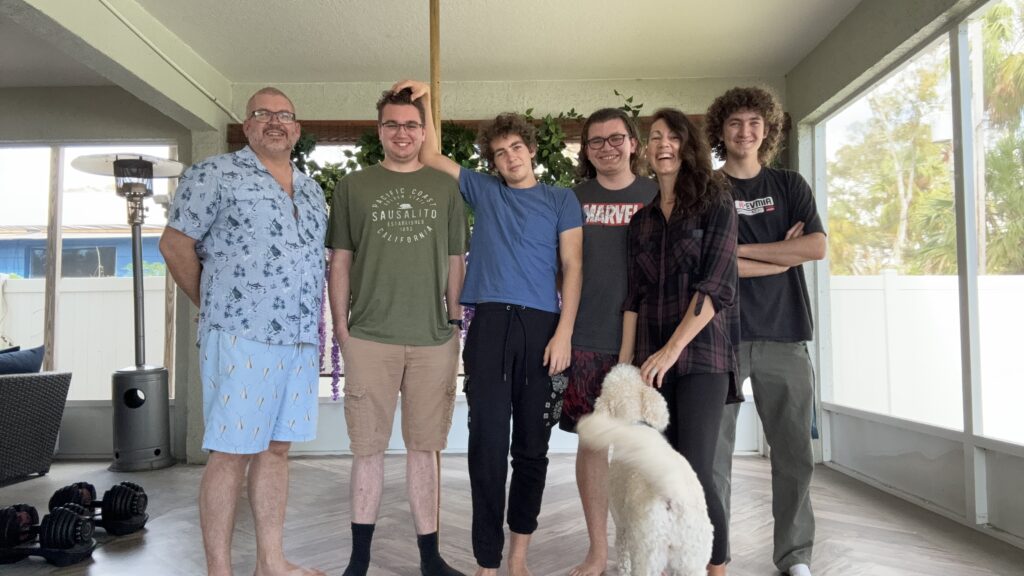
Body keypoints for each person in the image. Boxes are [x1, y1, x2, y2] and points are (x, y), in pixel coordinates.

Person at [393, 79, 583, 576]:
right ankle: (488, 562)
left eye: (516, 147)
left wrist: (564, 333)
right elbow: (431, 155)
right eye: (500, 153)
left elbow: (573, 267)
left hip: (543, 330)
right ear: (493, 162)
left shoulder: (561, 200)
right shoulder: (486, 191)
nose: (510, 157)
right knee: (487, 449)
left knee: (532, 450)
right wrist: (425, 101)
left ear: (531, 150)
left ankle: (519, 556)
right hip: (491, 327)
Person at [160, 87, 327, 576]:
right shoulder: (213, 173)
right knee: (231, 451)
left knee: (277, 449)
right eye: (262, 113)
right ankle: (220, 570)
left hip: (299, 337)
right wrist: (213, 303)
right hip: (240, 333)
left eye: (284, 115)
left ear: (297, 129)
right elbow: (174, 245)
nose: (274, 122)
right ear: (247, 126)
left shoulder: (312, 189)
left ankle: (271, 562)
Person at [326, 88, 467, 576]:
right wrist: (342, 328)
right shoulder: (353, 186)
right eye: (392, 124)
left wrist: (454, 322)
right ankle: (358, 562)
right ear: (379, 131)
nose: (402, 133)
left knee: (424, 450)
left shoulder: (445, 188)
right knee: (367, 450)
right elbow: (340, 261)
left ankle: (431, 560)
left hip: (433, 339)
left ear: (424, 132)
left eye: (411, 124)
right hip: (369, 338)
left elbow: (456, 259)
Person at [705, 86, 827, 576]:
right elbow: (710, 263)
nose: (745, 131)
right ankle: (715, 553)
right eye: (735, 122)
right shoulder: (708, 189)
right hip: (720, 336)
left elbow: (815, 247)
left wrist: (741, 250)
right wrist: (781, 254)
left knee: (795, 453)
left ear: (767, 129)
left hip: (785, 333)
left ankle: (795, 556)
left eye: (755, 122)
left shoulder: (790, 184)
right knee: (713, 456)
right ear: (721, 130)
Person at [620, 107, 740, 576]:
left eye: (672, 136)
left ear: (688, 146)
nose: (663, 144)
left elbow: (717, 286)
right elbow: (634, 297)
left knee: (693, 471)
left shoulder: (716, 202)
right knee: (660, 474)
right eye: (655, 137)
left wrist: (671, 350)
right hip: (650, 365)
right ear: (646, 150)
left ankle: (716, 567)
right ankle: (677, 563)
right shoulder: (642, 221)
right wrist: (625, 371)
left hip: (702, 359)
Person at [558, 108, 657, 576]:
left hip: (650, 342)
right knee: (594, 445)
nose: (606, 148)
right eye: (595, 141)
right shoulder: (571, 199)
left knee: (644, 449)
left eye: (615, 138)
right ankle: (597, 551)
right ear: (586, 150)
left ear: (633, 143)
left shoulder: (657, 193)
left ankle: (644, 550)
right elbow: (558, 267)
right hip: (586, 339)